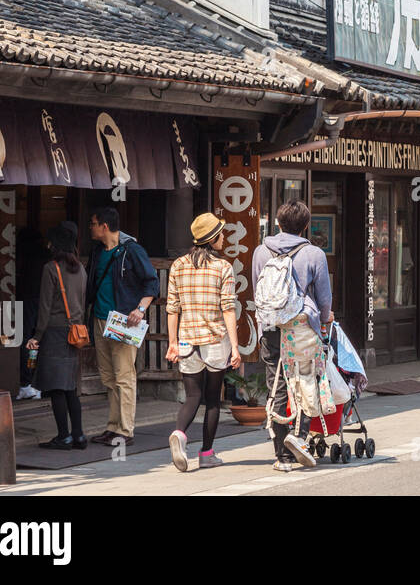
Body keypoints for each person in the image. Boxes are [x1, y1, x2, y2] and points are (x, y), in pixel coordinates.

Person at [252, 199, 334, 472]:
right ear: (306, 226)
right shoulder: (314, 254)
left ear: (277, 223)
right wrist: (325, 319)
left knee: (276, 387)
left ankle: (281, 457)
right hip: (300, 328)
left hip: (271, 328)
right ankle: (298, 438)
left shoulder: (261, 251)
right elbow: (324, 299)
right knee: (305, 381)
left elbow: (256, 291)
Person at [165, 213, 242, 472]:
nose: (224, 237)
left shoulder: (178, 265)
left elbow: (172, 308)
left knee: (192, 396)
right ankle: (207, 453)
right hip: (215, 340)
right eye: (220, 234)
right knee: (212, 399)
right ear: (212, 239)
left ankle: (179, 432)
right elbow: (228, 309)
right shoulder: (223, 268)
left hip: (187, 339)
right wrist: (235, 346)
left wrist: (172, 342)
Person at [85, 207, 158, 448]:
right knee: (108, 377)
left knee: (124, 376)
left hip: (124, 321)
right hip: (99, 319)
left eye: (93, 223)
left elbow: (152, 282)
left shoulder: (132, 250)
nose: (91, 227)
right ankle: (112, 426)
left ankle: (125, 430)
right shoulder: (97, 252)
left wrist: (140, 309)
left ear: (104, 226)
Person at [26, 222, 88, 450]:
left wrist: (37, 336)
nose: (48, 244)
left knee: (55, 388)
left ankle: (63, 436)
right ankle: (79, 435)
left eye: (50, 240)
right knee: (70, 386)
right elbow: (81, 303)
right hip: (74, 333)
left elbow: (44, 308)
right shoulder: (81, 269)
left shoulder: (50, 268)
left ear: (57, 243)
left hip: (54, 332)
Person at [15, 226, 50, 402]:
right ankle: (36, 383)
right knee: (38, 340)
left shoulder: (21, 256)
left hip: (26, 300)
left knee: (27, 340)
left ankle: (26, 382)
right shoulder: (47, 257)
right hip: (43, 302)